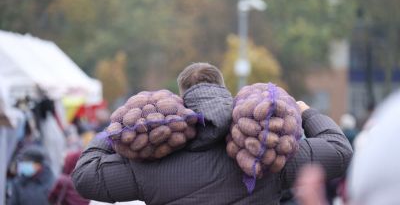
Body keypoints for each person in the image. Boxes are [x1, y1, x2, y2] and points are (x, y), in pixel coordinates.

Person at [72, 62, 353, 205]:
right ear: (225, 91)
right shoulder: (266, 150)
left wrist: (115, 132)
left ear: (182, 99)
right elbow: (340, 152)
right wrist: (306, 112)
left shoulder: (149, 163)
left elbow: (84, 178)